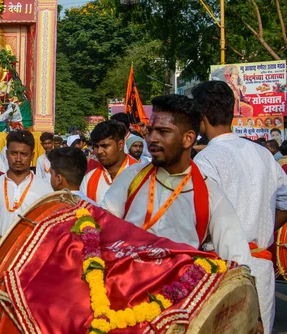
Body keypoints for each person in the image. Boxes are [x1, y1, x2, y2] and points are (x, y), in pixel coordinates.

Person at [101, 94, 253, 291]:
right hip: (122, 290)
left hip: (178, 302)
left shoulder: (210, 195)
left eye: (163, 131)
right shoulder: (131, 177)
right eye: (151, 130)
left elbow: (238, 261)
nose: (152, 139)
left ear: (188, 138)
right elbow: (101, 225)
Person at [192, 81, 287, 333]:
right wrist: (263, 228)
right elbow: (286, 201)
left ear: (201, 117)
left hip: (224, 268)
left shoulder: (205, 160)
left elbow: (199, 218)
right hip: (260, 266)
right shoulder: (262, 154)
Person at [0, 130, 53, 244]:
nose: (18, 159)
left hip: (31, 255)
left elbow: (49, 227)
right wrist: (3, 244)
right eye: (14, 153)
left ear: (32, 156)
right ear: (6, 154)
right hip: (0, 254)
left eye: (24, 154)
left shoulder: (45, 190)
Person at [79, 120, 137, 203]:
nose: (99, 151)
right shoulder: (88, 180)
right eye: (96, 146)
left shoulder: (140, 174)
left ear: (120, 145)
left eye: (104, 146)